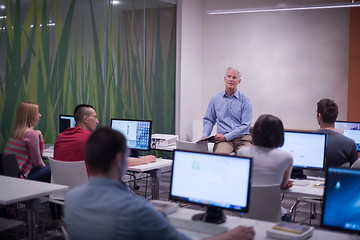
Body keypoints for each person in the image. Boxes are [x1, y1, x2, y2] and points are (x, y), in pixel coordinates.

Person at [65, 127, 255, 240]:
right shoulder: (136, 209)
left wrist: (151, 217)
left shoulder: (72, 198)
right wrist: (229, 236)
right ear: (118, 160)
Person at [54, 104, 156, 167]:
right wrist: (145, 160)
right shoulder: (91, 140)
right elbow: (119, 161)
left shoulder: (60, 137)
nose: (97, 121)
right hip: (91, 190)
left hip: (64, 191)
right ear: (85, 119)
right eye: (95, 117)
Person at [237, 114, 293, 221]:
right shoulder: (287, 157)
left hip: (244, 212)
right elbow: (282, 185)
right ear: (280, 135)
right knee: (287, 217)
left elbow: (241, 182)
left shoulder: (242, 152)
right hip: (274, 215)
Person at [201, 67, 252, 154]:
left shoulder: (245, 100)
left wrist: (226, 136)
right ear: (225, 79)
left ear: (239, 81)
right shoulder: (216, 99)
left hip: (241, 139)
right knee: (221, 155)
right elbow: (209, 120)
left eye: (234, 77)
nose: (231, 80)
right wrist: (205, 136)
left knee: (248, 156)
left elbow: (245, 126)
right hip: (223, 141)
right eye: (229, 76)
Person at [4, 102, 50, 182]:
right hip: (22, 177)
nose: (40, 115)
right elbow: (38, 163)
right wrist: (41, 139)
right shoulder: (31, 134)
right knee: (53, 168)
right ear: (30, 116)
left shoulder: (16, 132)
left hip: (10, 176)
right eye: (37, 113)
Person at [316, 98, 358, 168]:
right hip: (338, 179)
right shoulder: (350, 143)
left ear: (319, 116)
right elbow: (355, 172)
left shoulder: (307, 140)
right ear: (336, 116)